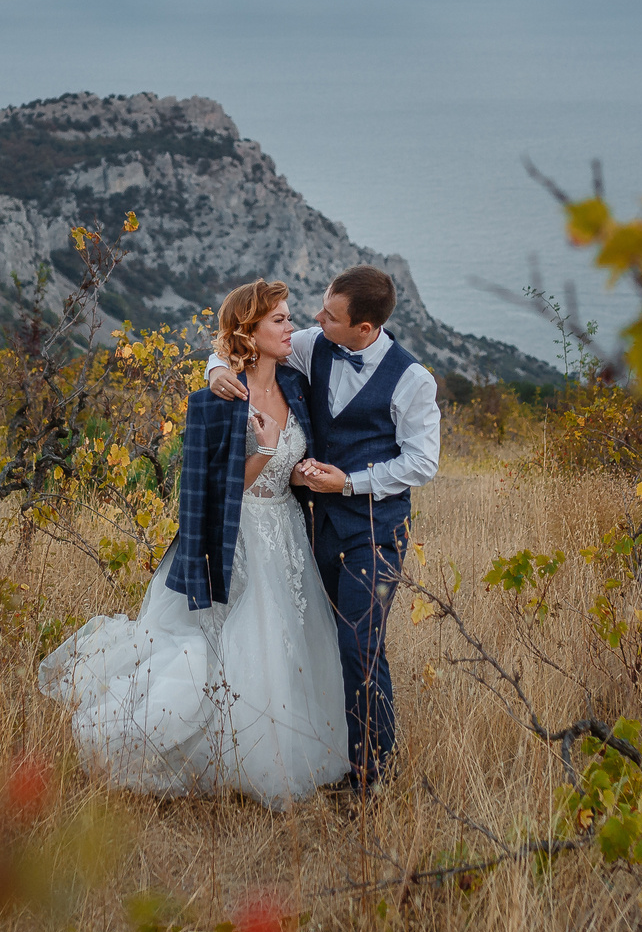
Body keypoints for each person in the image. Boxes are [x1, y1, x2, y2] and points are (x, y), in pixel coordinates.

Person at [38, 280, 350, 809]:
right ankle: (234, 758)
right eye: (278, 320)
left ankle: (300, 752)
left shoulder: (296, 385)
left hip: (290, 533)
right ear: (249, 332)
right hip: (238, 535)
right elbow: (217, 488)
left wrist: (302, 471)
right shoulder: (215, 400)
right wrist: (267, 448)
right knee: (247, 642)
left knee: (294, 641)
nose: (290, 327)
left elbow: (291, 461)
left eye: (289, 317)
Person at [205, 265, 440, 794]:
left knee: (360, 646)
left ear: (363, 328)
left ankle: (374, 774)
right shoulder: (316, 346)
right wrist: (213, 369)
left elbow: (423, 463)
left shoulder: (412, 379)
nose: (315, 319)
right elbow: (243, 337)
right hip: (315, 527)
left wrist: (350, 482)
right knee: (322, 644)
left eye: (329, 315)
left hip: (376, 530)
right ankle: (333, 755)